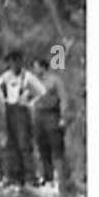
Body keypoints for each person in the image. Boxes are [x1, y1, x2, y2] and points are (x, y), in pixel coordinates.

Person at [0, 49, 43, 185]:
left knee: (24, 144)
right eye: (11, 61)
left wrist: (30, 101)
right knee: (12, 143)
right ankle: (15, 176)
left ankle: (30, 176)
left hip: (22, 110)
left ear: (21, 62)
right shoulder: (6, 77)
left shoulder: (27, 76)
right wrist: (2, 99)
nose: (14, 64)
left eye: (17, 61)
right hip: (10, 109)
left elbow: (41, 90)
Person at [30, 56, 68, 188]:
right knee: (42, 147)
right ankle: (48, 178)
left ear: (42, 67)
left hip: (52, 115)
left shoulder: (54, 80)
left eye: (36, 67)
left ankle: (62, 179)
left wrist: (63, 117)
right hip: (38, 116)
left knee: (56, 147)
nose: (34, 70)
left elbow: (63, 98)